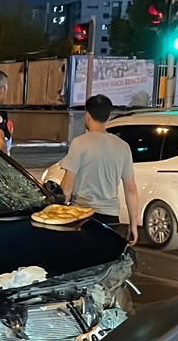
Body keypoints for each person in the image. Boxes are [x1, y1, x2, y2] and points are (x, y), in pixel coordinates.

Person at [57, 94, 139, 244]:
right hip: (111, 219)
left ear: (87, 116)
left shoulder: (79, 143)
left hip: (83, 216)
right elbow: (131, 190)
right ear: (108, 117)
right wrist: (133, 224)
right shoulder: (123, 147)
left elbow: (67, 187)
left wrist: (58, 211)